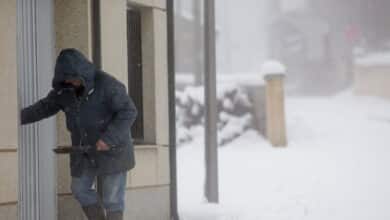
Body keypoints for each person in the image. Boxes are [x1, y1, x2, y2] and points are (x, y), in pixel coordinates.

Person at [21, 48, 138, 220]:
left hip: (114, 151)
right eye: (66, 79)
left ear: (83, 73)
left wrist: (108, 139)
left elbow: (129, 111)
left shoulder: (108, 85)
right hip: (85, 151)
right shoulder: (64, 92)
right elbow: (44, 107)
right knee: (79, 188)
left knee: (112, 199)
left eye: (73, 78)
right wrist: (14, 118)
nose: (71, 82)